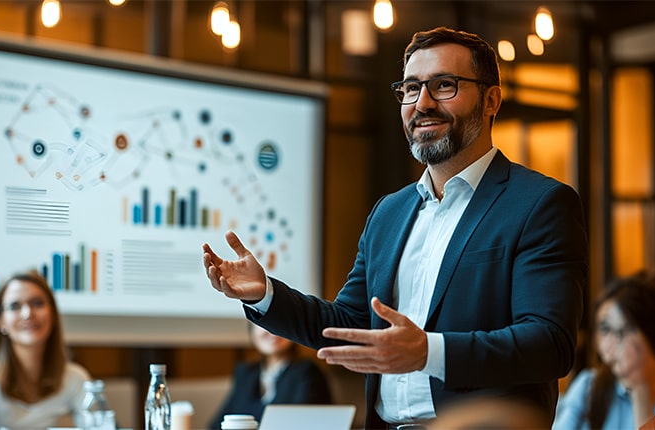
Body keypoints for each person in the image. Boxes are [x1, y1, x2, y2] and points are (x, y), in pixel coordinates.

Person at [202, 26, 588, 429]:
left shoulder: (539, 204)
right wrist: (266, 296)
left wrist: (428, 352)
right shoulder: (389, 212)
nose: (422, 103)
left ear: (491, 99)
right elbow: (348, 325)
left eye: (444, 85)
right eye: (410, 88)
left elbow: (550, 344)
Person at [552, 269, 655, 430]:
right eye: (604, 330)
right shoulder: (589, 387)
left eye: (621, 332)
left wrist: (641, 393)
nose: (606, 346)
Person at [0, 270, 91, 430]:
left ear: (52, 314)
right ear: (1, 321)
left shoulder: (75, 377)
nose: (27, 314)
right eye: (14, 306)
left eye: (37, 303)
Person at [208, 323, 333, 428]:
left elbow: (304, 424)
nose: (272, 331)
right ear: (252, 331)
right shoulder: (246, 373)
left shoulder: (307, 372)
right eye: (264, 324)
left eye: (280, 323)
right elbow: (217, 424)